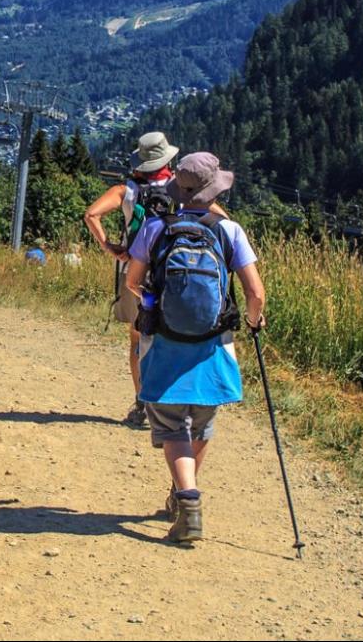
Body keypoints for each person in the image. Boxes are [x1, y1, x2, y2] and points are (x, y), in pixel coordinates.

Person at [123, 151, 266, 545]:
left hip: (164, 341)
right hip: (213, 344)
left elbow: (133, 283)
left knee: (171, 426)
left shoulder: (156, 228)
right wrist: (253, 321)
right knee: (200, 424)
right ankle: (183, 495)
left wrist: (153, 303)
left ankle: (187, 500)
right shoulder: (229, 230)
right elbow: (255, 292)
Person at [82, 131, 201, 426]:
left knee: (138, 340)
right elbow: (217, 217)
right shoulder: (182, 188)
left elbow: (91, 214)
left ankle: (142, 404)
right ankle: (175, 404)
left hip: (134, 273)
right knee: (173, 336)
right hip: (176, 273)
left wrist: (110, 248)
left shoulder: (127, 190)